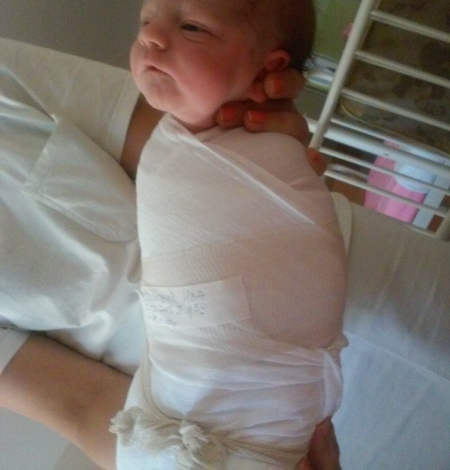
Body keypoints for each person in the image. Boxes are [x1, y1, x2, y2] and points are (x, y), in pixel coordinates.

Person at [0, 32, 340, 470]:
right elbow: (85, 406)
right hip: (239, 431)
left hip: (325, 264)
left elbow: (192, 138)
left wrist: (267, 146)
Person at [110, 0, 347, 469]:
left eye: (191, 26)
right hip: (233, 419)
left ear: (268, 69)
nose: (149, 36)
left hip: (172, 416)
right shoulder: (184, 143)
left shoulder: (261, 145)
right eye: (146, 19)